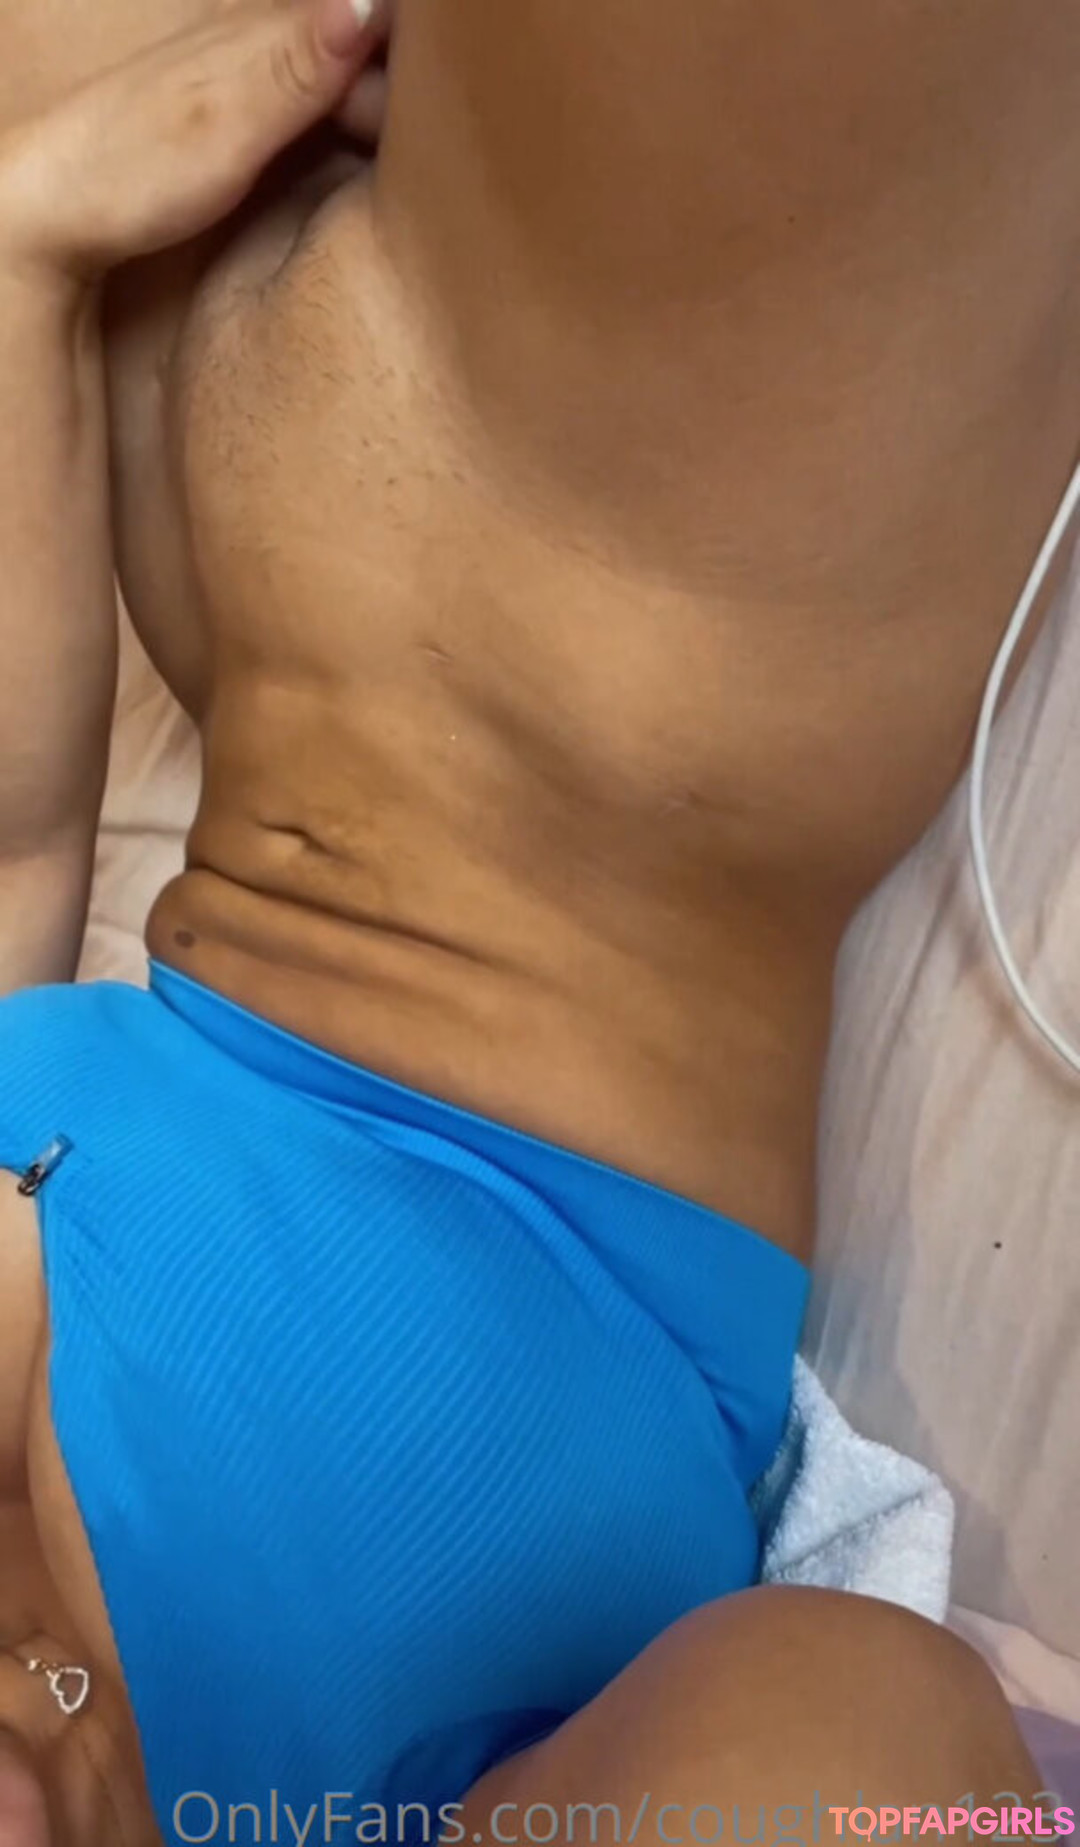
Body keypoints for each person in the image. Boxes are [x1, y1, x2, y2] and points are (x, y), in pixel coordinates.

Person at [1, 0, 1068, 1838]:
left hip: (178, 492)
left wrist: (23, 255)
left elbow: (19, 856)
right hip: (606, 736)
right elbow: (894, 1756)